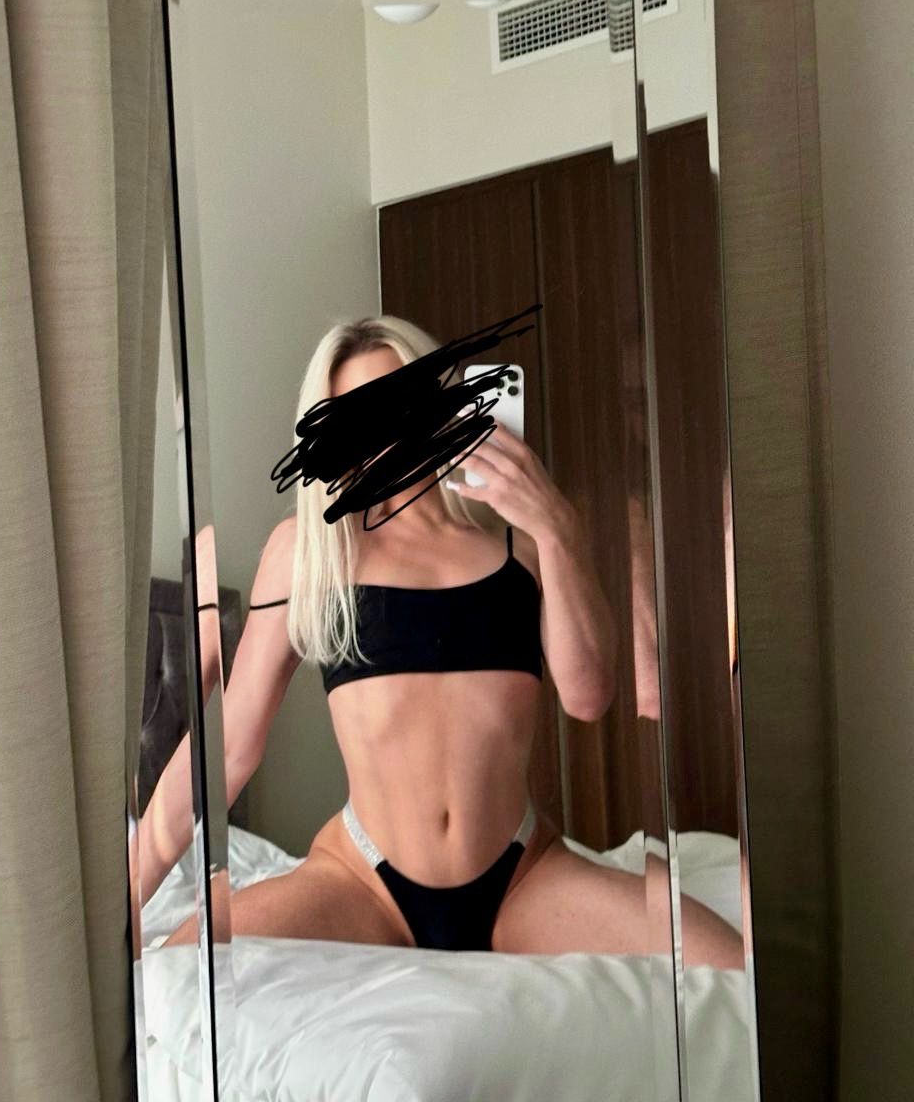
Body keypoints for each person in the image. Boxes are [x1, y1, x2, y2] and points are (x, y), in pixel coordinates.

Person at [151, 315, 743, 967]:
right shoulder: (312, 554)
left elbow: (588, 696)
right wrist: (129, 891)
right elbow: (229, 748)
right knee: (176, 962)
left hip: (522, 876)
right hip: (363, 883)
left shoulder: (520, 543)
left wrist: (557, 526)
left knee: (728, 961)